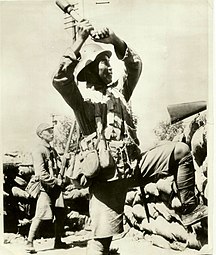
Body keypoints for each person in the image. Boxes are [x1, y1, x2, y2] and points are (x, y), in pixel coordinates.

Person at [53, 19, 207, 255]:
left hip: (135, 166)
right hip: (106, 179)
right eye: (103, 62)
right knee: (101, 242)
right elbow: (61, 78)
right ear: (90, 71)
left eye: (108, 59)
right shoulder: (82, 104)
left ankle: (189, 209)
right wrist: (80, 40)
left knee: (180, 151)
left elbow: (134, 66)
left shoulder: (120, 93)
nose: (109, 65)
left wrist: (114, 39)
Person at [25, 123, 70, 253]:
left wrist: (65, 159)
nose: (52, 133)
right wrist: (56, 181)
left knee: (61, 214)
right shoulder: (38, 150)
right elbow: (41, 173)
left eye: (52, 131)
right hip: (45, 188)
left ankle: (58, 241)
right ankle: (29, 242)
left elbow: (57, 166)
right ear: (41, 134)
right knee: (40, 214)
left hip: (55, 188)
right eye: (48, 131)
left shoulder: (52, 150)